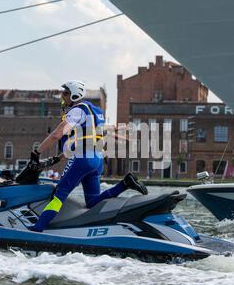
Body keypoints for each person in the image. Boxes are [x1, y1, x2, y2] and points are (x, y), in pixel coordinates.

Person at [29, 80, 148, 232]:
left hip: (83, 160)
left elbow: (56, 135)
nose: (62, 96)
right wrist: (57, 159)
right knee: (92, 202)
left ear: (74, 95)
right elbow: (82, 143)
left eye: (65, 93)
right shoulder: (94, 111)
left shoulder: (76, 111)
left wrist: (36, 152)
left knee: (59, 194)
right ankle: (125, 184)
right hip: (97, 160)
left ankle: (38, 228)